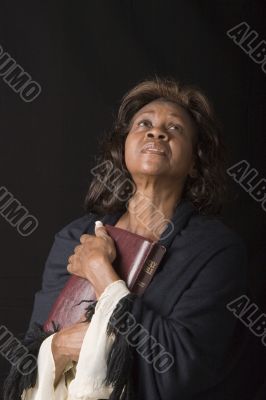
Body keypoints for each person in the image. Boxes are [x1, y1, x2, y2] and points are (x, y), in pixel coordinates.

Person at [4, 76, 250, 400]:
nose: (156, 132)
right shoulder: (74, 237)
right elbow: (23, 366)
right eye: (143, 124)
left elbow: (177, 371)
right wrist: (61, 346)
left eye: (174, 129)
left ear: (194, 162)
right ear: (123, 148)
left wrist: (101, 273)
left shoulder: (216, 251)